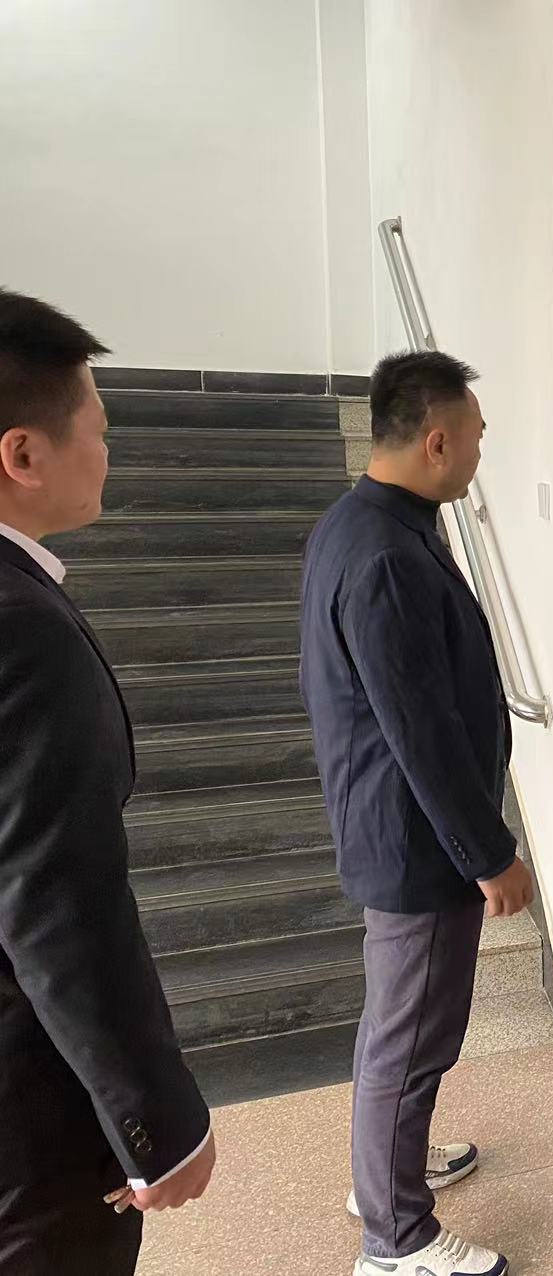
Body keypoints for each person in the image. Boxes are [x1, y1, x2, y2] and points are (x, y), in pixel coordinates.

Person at [300, 350, 535, 1276]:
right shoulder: (387, 555)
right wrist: (489, 853)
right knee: (413, 1035)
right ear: (436, 440)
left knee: (397, 1024)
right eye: (475, 436)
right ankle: (395, 1238)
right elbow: (421, 730)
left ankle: (383, 1173)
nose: (479, 451)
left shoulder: (365, 523)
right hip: (417, 841)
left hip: (396, 826)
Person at [0, 288, 215, 1272]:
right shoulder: (22, 629)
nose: (108, 451)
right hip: (27, 1127)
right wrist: (153, 1122)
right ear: (23, 454)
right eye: (98, 429)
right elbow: (54, 900)